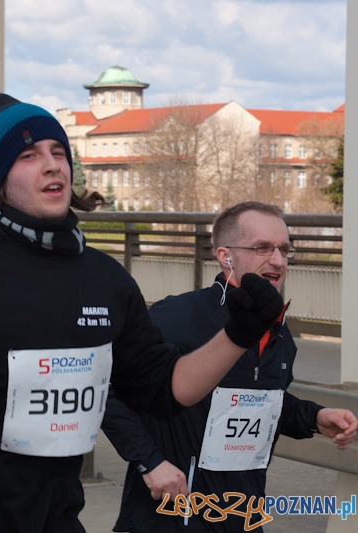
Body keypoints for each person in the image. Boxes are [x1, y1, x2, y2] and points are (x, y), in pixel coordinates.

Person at [0, 93, 284, 532]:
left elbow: (169, 388)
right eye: (28, 155)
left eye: (59, 152)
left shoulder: (105, 279)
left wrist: (238, 333)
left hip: (54, 519)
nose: (52, 163)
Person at [101, 201, 357, 532]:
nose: (278, 260)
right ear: (226, 257)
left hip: (241, 517)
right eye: (262, 248)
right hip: (168, 518)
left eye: (284, 249)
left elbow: (258, 399)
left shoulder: (279, 332)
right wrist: (149, 462)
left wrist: (315, 417)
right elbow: (103, 386)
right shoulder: (178, 317)